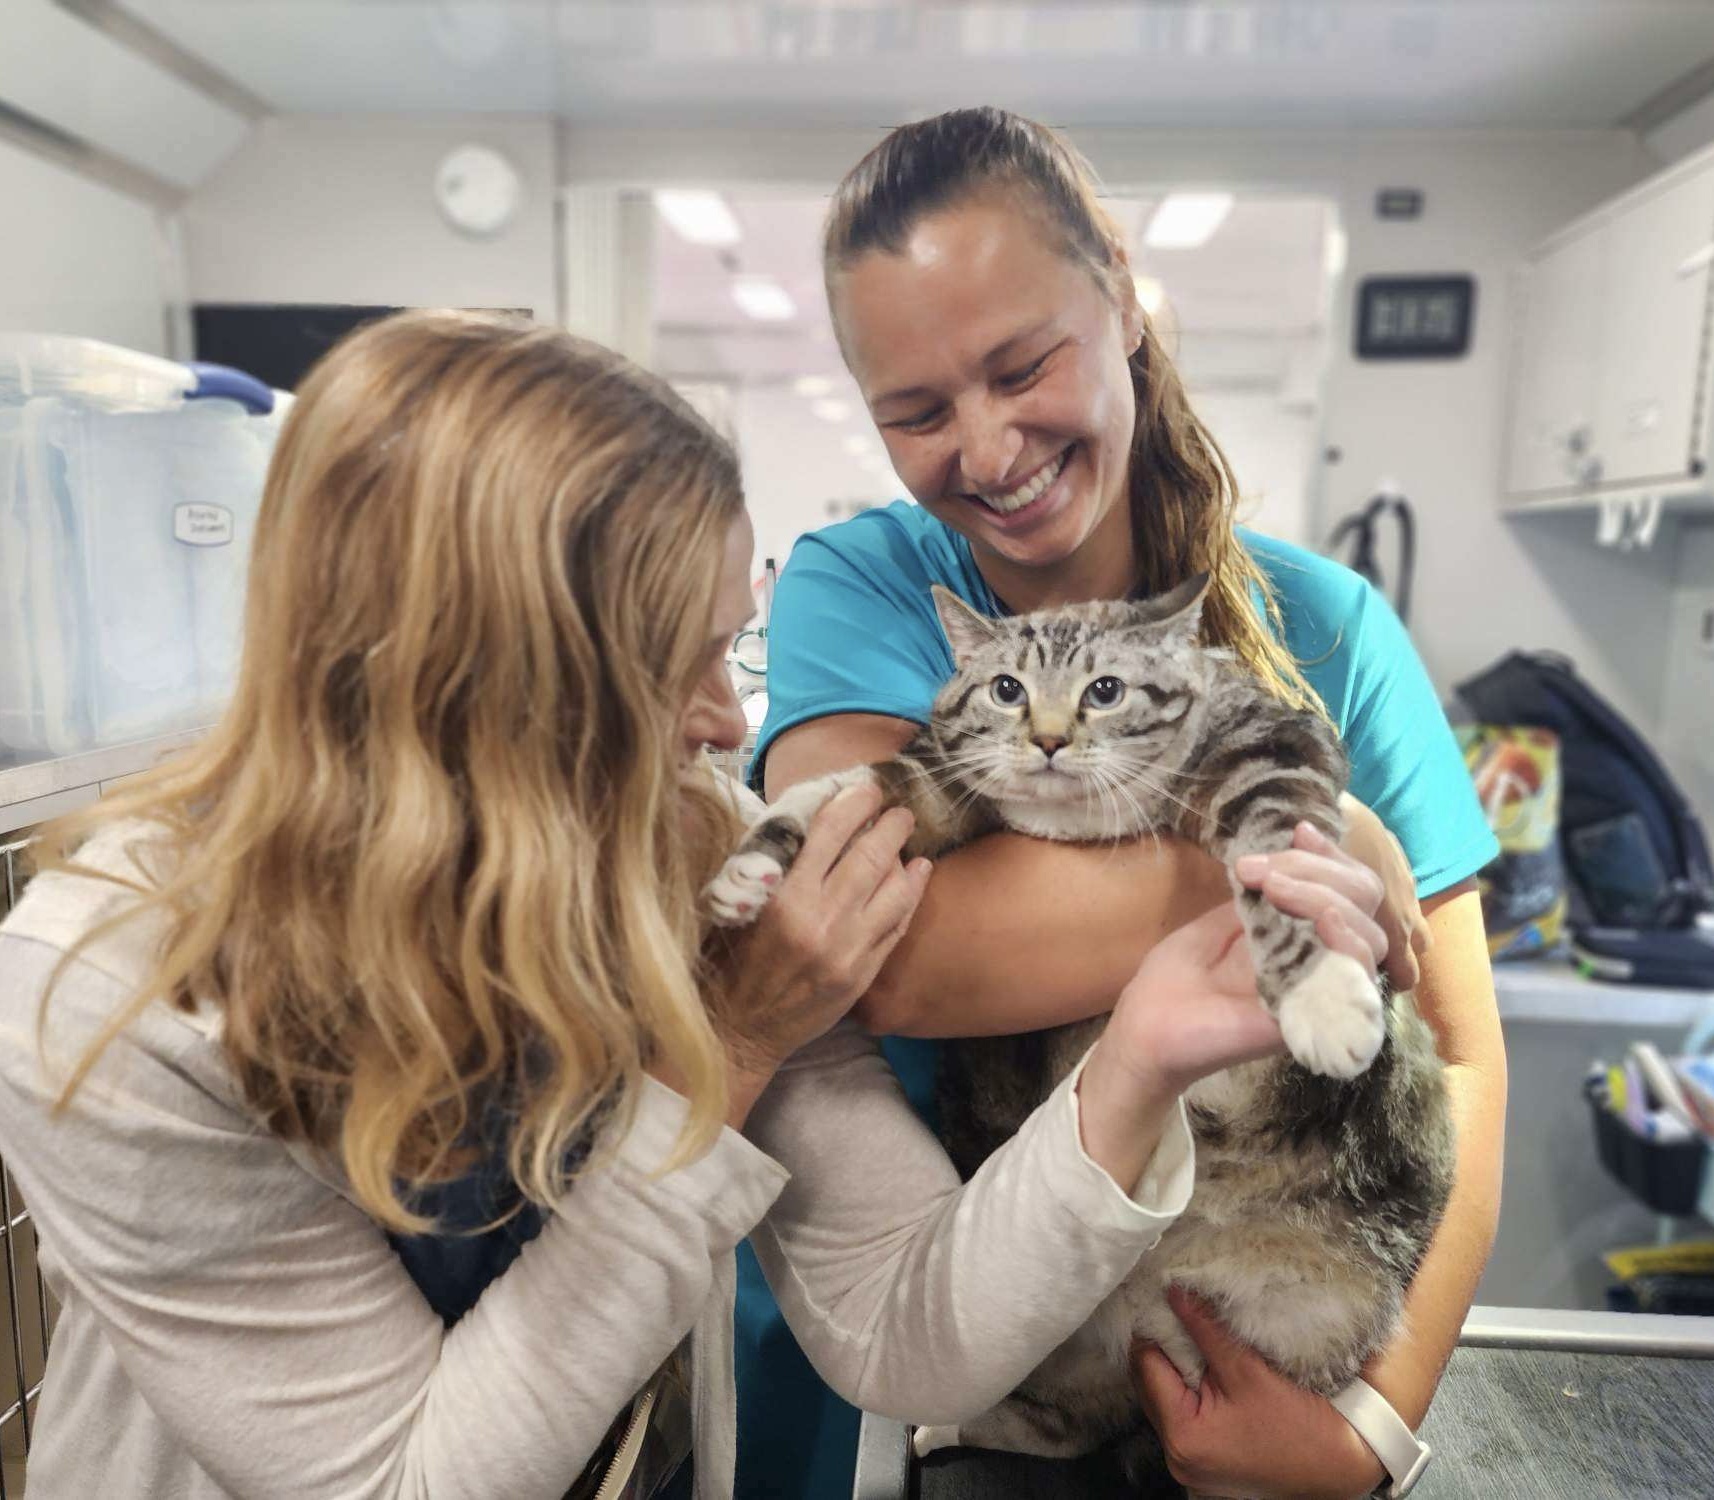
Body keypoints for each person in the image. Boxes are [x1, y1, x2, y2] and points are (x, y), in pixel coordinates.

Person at [0, 311, 1396, 1500]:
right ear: (474, 687)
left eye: (734, 640)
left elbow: (905, 1328)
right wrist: (718, 1061)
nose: (731, 725)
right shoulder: (107, 990)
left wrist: (1133, 1062)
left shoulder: (688, 850)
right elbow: (408, 1479)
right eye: (675, 668)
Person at [740, 107, 1505, 1500]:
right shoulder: (859, 591)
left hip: (1275, 1351)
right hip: (935, 1380)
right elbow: (887, 950)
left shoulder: (1327, 627)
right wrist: (1299, 842)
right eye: (914, 411)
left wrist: (1370, 1433)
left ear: (1119, 293)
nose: (983, 447)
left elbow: (1455, 1054)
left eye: (1019, 365)